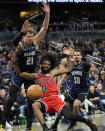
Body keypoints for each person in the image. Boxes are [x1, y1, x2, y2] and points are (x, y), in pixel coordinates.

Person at [1, 2, 50, 131]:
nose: (29, 39)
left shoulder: (34, 41)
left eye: (30, 36)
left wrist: (47, 14)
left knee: (31, 100)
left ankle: (29, 126)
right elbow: (14, 42)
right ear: (24, 36)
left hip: (31, 74)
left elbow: (44, 29)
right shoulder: (21, 44)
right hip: (19, 74)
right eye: (27, 36)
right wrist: (20, 33)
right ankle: (2, 124)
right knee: (11, 98)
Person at [18, 52, 97, 131]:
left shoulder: (53, 73)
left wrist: (68, 56)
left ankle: (88, 122)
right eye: (45, 64)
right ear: (41, 64)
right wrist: (16, 62)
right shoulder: (36, 76)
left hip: (56, 101)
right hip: (45, 102)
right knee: (35, 105)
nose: (46, 65)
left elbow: (68, 69)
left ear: (51, 66)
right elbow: (20, 74)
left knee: (70, 117)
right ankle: (45, 128)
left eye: (48, 64)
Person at [51, 49, 98, 130]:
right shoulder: (71, 65)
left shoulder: (84, 65)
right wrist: (60, 82)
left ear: (81, 56)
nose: (76, 56)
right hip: (73, 89)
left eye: (78, 55)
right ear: (73, 56)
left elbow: (94, 71)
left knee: (76, 105)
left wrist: (96, 70)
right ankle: (55, 124)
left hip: (82, 90)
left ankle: (73, 122)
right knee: (62, 107)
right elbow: (66, 76)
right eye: (75, 55)